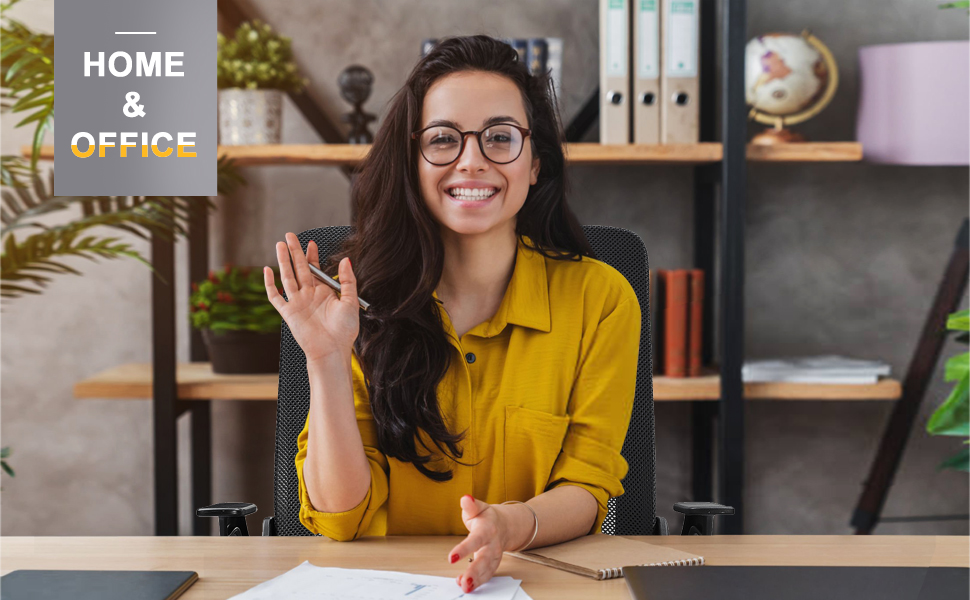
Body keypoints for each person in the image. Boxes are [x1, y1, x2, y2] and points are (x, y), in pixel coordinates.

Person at [263, 35, 641, 594]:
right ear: (413, 162)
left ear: (535, 163)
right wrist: (325, 358)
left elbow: (588, 486)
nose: (472, 160)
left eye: (500, 138)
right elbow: (340, 517)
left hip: (528, 584)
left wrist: (511, 525)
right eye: (443, 139)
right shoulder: (355, 301)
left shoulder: (600, 298)